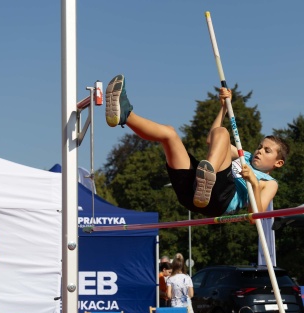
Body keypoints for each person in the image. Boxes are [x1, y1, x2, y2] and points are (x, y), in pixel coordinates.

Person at [105, 74, 289, 217]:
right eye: (260, 146)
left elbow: (254, 217)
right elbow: (212, 140)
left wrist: (253, 183)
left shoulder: (270, 183)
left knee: (223, 133)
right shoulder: (245, 156)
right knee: (169, 134)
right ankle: (125, 115)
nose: (259, 151)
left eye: (267, 151)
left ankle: (206, 178)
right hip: (192, 194)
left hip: (220, 200)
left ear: (278, 163)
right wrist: (224, 107)